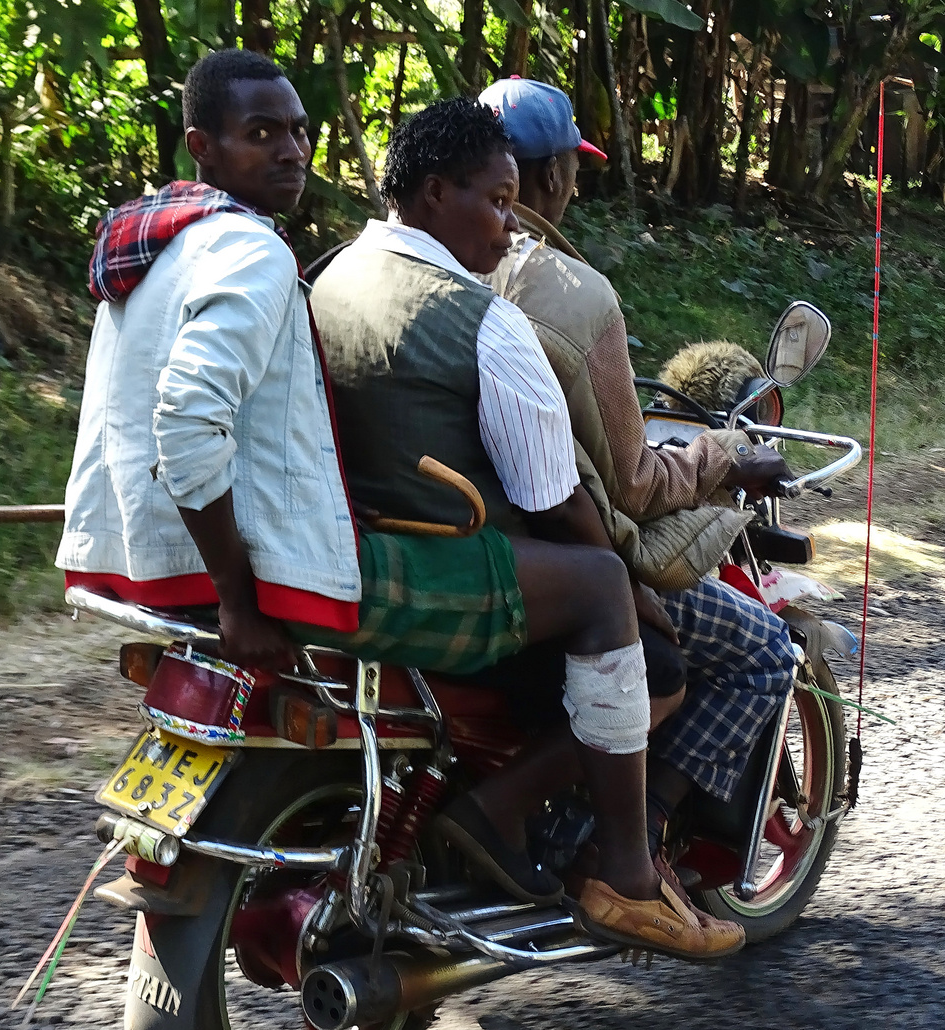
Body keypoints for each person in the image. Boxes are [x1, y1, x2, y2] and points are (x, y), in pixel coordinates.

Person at [54, 51, 734, 956]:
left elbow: (162, 418)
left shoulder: (174, 246)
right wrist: (235, 595)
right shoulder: (261, 254)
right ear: (201, 146)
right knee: (605, 587)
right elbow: (188, 421)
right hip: (300, 571)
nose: (292, 150)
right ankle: (624, 873)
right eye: (263, 134)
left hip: (143, 559)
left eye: (298, 130)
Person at [310, 97, 743, 957]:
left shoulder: (334, 273)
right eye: (498, 203)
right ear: (434, 194)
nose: (512, 228)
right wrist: (632, 600)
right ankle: (623, 873)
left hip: (377, 537)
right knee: (637, 632)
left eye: (517, 204)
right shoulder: (487, 323)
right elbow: (557, 501)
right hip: (451, 568)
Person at [475, 76, 798, 867]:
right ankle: (631, 845)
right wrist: (723, 456)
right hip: (559, 555)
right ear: (548, 177)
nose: (574, 186)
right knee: (763, 650)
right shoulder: (571, 294)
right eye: (573, 170)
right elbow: (632, 484)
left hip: (454, 532)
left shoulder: (396, 264)